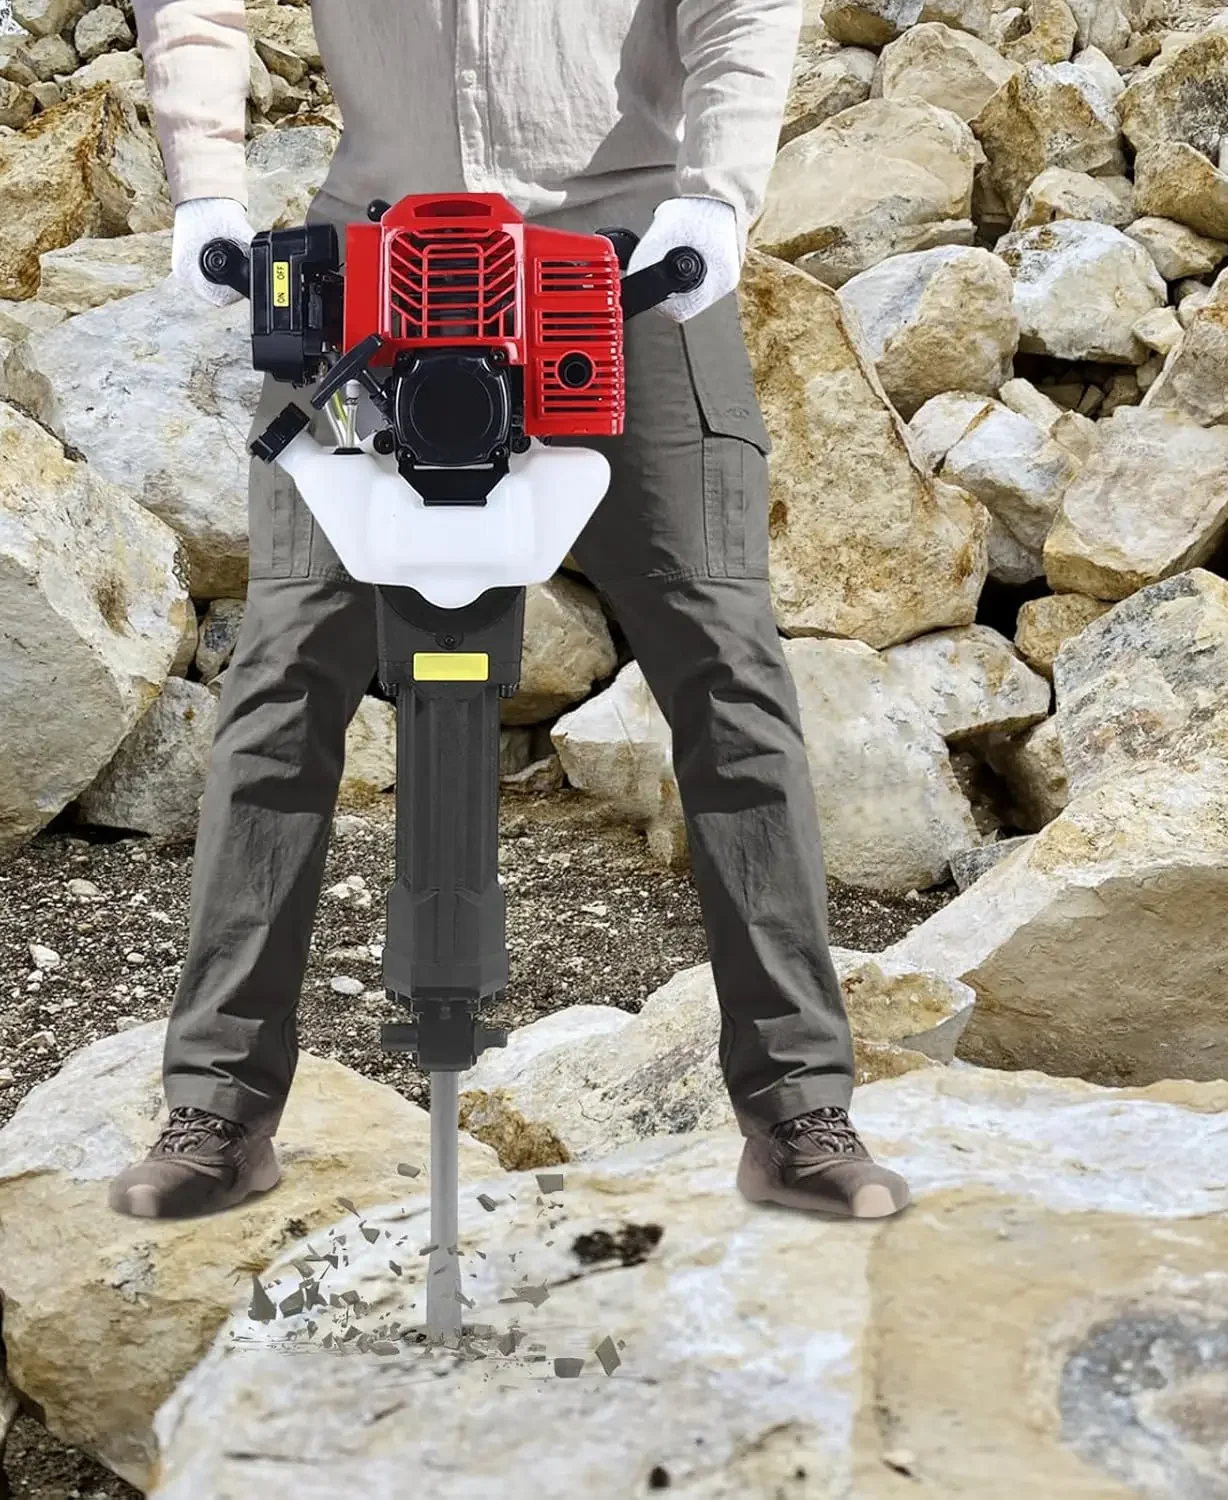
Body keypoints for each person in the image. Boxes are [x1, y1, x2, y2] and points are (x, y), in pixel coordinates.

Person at [110, 0, 912, 1222]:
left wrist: (716, 195)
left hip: (629, 271)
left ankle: (800, 1107)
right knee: (281, 679)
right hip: (365, 271)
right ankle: (216, 1105)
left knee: (728, 674)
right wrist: (207, 186)